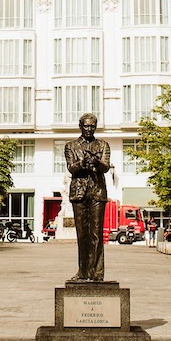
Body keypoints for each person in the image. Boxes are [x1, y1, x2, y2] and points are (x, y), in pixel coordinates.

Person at [66, 113, 110, 282]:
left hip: (97, 192)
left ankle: (97, 273)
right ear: (80, 126)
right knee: (82, 234)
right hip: (79, 193)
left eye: (92, 126)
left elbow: (105, 167)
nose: (89, 129)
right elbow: (71, 168)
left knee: (96, 234)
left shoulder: (103, 145)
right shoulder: (71, 146)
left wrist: (97, 162)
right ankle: (83, 271)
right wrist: (83, 163)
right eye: (86, 126)